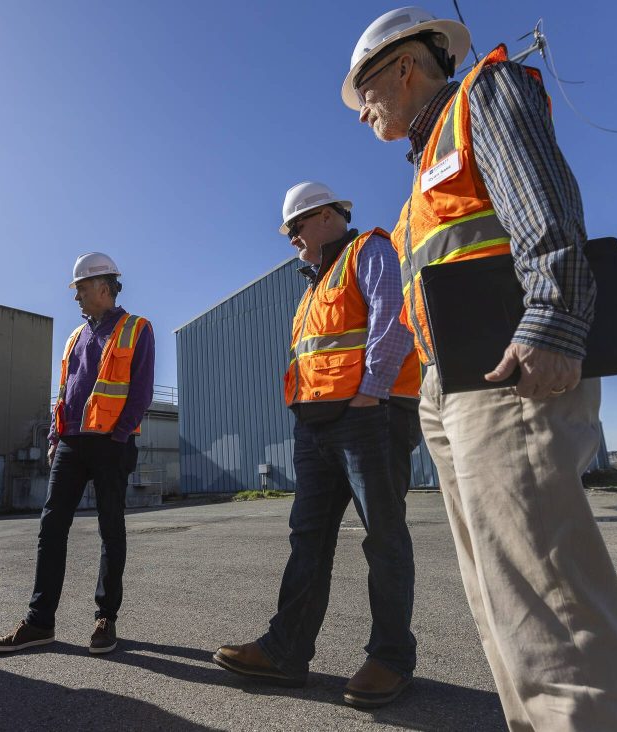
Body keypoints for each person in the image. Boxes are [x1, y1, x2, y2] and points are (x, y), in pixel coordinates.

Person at [342, 7, 617, 729]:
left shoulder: (485, 92)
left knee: (546, 599)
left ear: (405, 66)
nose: (363, 115)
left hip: (512, 370)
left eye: (366, 93)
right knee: (502, 604)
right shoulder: (420, 177)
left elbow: (543, 205)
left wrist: (553, 317)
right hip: (455, 388)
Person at [214, 182, 423, 709]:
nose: (289, 239)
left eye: (294, 227)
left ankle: (390, 657)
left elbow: (393, 318)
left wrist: (370, 395)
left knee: (383, 537)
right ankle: (285, 652)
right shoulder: (312, 286)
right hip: (317, 427)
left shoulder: (369, 250)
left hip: (369, 417)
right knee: (308, 539)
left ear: (327, 215)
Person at [0, 252, 154, 656]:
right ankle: (39, 622)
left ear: (102, 287)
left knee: (110, 530)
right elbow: (63, 393)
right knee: (51, 528)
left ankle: (105, 618)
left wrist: (116, 438)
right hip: (70, 443)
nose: (75, 297)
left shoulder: (136, 329)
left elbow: (140, 391)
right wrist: (52, 438)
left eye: (79, 288)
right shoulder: (75, 337)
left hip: (111, 444)